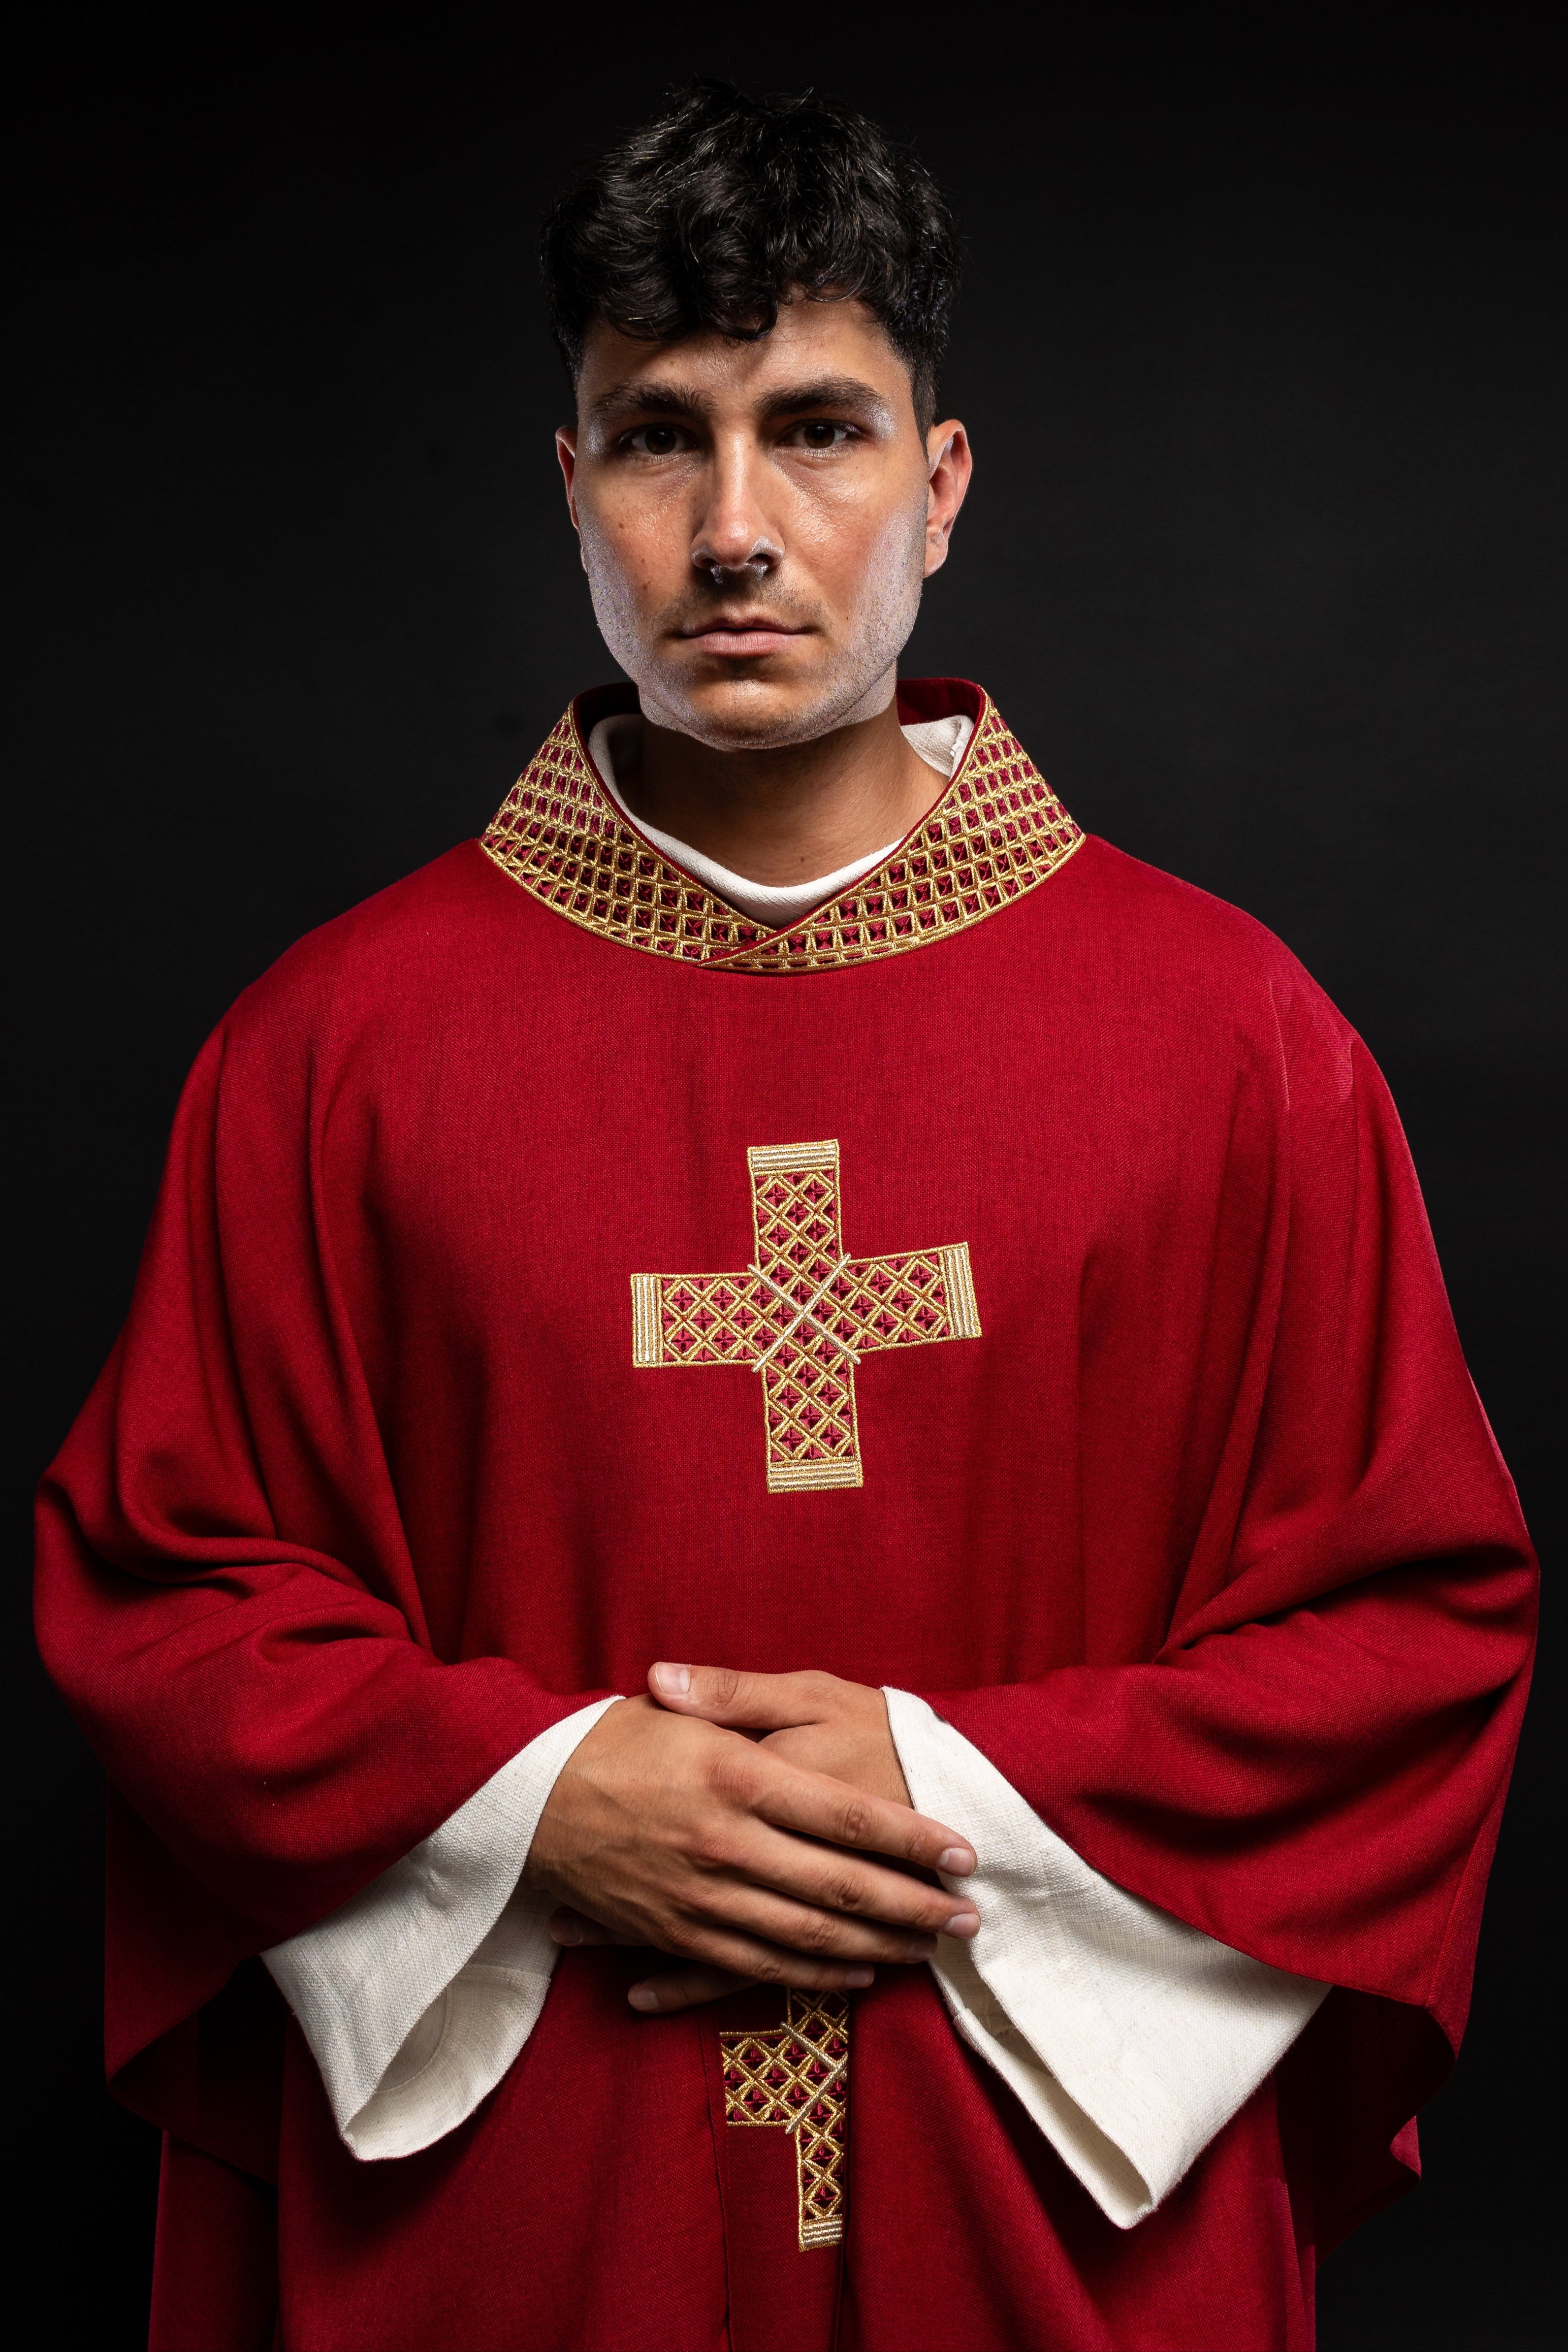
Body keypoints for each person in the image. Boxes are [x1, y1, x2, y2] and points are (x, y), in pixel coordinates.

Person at [35, 80, 1535, 2352]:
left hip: (1034, 2213)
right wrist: (535, 1802)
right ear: (570, 487)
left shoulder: (1234, 1038)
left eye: (816, 429)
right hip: (519, 2216)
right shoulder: (325, 1049)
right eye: (657, 436)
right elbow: (165, 1595)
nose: (733, 527)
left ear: (938, 485)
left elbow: (1407, 1623)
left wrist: (946, 1792)